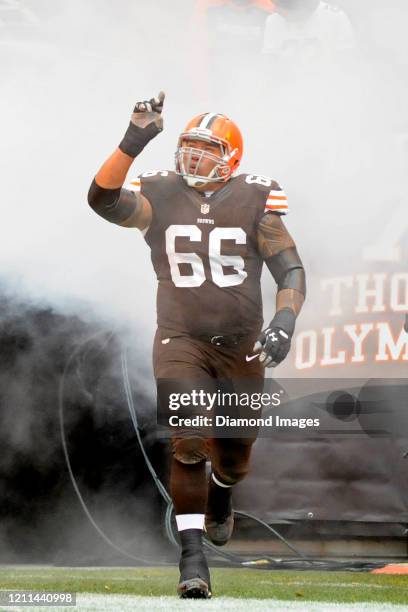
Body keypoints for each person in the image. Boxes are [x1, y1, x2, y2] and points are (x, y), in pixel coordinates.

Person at [87, 93, 306, 598]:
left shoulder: (255, 198)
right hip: (180, 337)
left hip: (242, 346)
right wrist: (134, 139)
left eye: (206, 149)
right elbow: (103, 201)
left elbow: (289, 267)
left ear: (231, 156)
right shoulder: (161, 193)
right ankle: (192, 557)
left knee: (233, 459)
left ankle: (223, 494)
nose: (192, 157)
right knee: (188, 441)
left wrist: (285, 321)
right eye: (188, 146)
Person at [263, 0, 354, 62]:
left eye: (290, 14)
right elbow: (270, 58)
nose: (284, 15)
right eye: (281, 12)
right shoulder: (274, 19)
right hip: (285, 84)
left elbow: (347, 59)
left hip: (327, 83)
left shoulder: (335, 17)